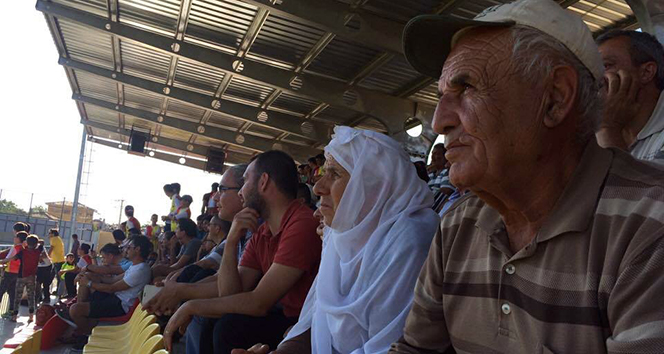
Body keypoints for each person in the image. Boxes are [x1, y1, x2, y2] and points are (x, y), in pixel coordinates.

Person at [390, 0, 664, 352]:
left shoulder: (648, 227)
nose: (439, 121)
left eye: (467, 87)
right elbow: (416, 349)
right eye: (443, 95)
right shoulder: (457, 227)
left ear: (554, 98)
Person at [237, 127, 440, 354]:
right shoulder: (340, 236)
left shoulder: (409, 240)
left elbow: (388, 348)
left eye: (334, 174)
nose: (318, 187)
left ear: (372, 185)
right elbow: (315, 316)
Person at [162, 150, 322, 353]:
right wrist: (231, 241)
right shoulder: (261, 231)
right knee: (223, 320)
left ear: (263, 182)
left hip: (305, 324)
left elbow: (259, 303)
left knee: (230, 327)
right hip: (282, 316)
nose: (240, 191)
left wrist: (191, 305)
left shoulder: (302, 223)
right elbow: (230, 295)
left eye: (245, 181)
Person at [144, 164, 251, 314]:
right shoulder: (235, 237)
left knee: (193, 273)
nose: (215, 197)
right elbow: (218, 277)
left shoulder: (199, 242)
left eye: (223, 190)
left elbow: (231, 292)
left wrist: (183, 295)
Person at [62, 236, 152, 349]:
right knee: (87, 279)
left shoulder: (141, 269)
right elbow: (112, 280)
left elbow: (112, 288)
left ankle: (84, 332)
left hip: (120, 304)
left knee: (75, 310)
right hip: (114, 297)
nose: (126, 250)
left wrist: (89, 283)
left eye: (129, 247)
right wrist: (88, 276)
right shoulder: (135, 266)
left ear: (137, 249)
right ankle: (81, 318)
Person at [595, 30, 664, 162]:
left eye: (606, 66)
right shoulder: (597, 133)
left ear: (646, 72)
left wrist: (608, 127)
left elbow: (623, 183)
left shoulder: (607, 128)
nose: (595, 78)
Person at [2, 235, 42, 322]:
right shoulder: (38, 251)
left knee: (17, 296)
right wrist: (35, 243)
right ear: (36, 244)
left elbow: (11, 259)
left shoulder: (22, 252)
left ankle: (14, 316)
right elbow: (41, 243)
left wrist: (2, 261)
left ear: (27, 242)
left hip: (21, 276)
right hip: (32, 277)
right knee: (31, 296)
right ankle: (31, 316)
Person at [0, 229, 27, 319]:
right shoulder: (24, 249)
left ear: (19, 239)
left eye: (16, 237)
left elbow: (7, 259)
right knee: (12, 293)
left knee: (1, 290)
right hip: (17, 273)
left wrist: (1, 262)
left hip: (10, 272)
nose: (14, 238)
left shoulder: (15, 248)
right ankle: (12, 311)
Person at [48, 228, 65, 294]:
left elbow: (51, 249)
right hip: (58, 260)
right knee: (51, 276)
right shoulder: (58, 239)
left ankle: (58, 292)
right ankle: (46, 289)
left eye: (49, 233)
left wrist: (47, 257)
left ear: (53, 234)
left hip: (57, 261)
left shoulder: (54, 239)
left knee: (58, 277)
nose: (48, 235)